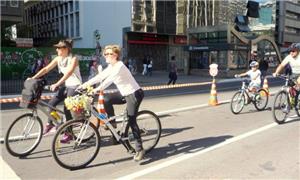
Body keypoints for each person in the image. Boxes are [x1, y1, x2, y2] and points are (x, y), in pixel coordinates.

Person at [79, 44, 145, 161]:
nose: (107, 56)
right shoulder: (111, 66)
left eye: (110, 54)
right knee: (106, 99)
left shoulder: (119, 65)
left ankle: (140, 149)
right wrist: (83, 85)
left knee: (131, 120)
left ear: (116, 55)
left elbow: (109, 80)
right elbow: (100, 77)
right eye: (106, 54)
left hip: (134, 94)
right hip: (123, 93)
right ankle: (113, 124)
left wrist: (95, 90)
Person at [29, 39, 82, 143]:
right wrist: (33, 78)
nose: (57, 49)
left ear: (66, 49)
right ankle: (51, 123)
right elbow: (45, 69)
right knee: (50, 105)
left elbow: (69, 73)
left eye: (59, 48)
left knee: (67, 109)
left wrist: (57, 84)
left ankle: (69, 133)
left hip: (75, 86)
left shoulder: (73, 59)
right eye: (57, 47)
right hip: (67, 85)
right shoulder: (58, 59)